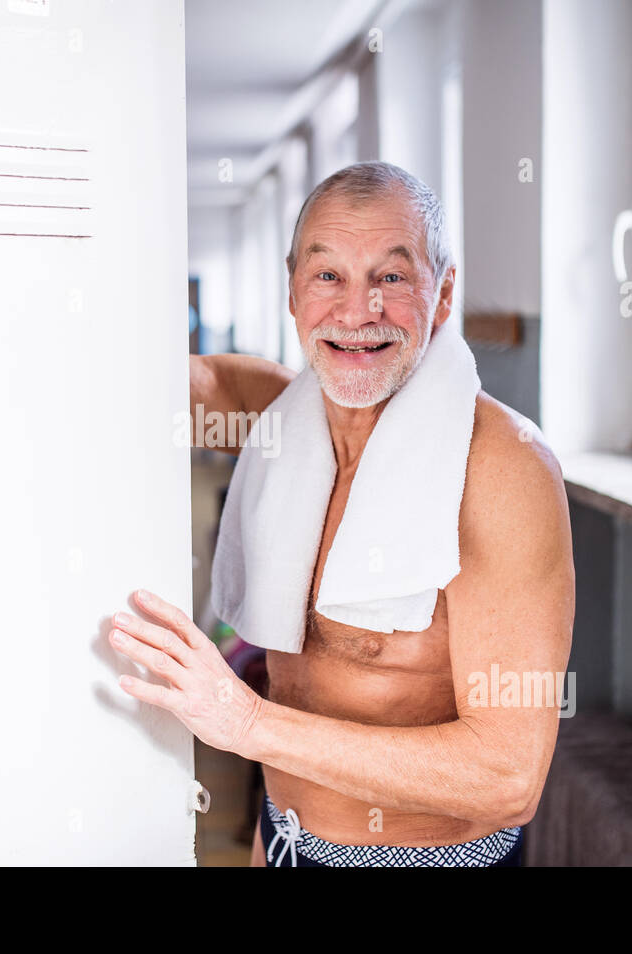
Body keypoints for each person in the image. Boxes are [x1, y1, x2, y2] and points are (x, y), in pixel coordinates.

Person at [109, 161, 574, 867]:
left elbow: (508, 776)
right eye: (328, 276)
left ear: (443, 294)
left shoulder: (504, 471)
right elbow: (154, 387)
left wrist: (247, 723)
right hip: (285, 839)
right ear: (293, 291)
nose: (358, 312)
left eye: (391, 277)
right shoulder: (278, 421)